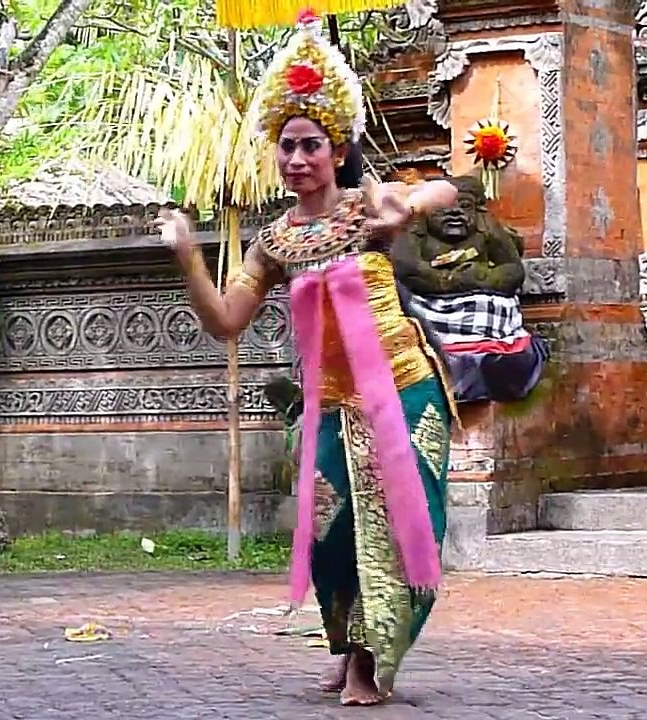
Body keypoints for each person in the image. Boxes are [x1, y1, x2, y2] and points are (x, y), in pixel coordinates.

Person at [154, 10, 459, 707]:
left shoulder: (368, 205)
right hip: (327, 405)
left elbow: (448, 189)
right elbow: (226, 320)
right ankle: (347, 646)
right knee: (329, 535)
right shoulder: (274, 244)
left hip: (403, 393)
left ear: (337, 146)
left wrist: (407, 209)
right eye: (287, 145)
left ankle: (371, 663)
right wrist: (188, 258)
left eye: (310, 145)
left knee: (400, 533)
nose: (297, 158)